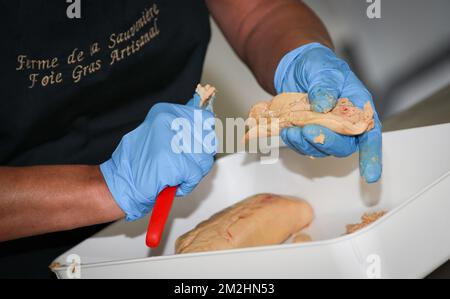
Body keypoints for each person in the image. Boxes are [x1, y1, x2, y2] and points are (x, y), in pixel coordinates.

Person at [0, 0, 382, 278]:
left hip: (190, 187)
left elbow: (258, 11)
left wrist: (298, 57)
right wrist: (107, 187)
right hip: (31, 239)